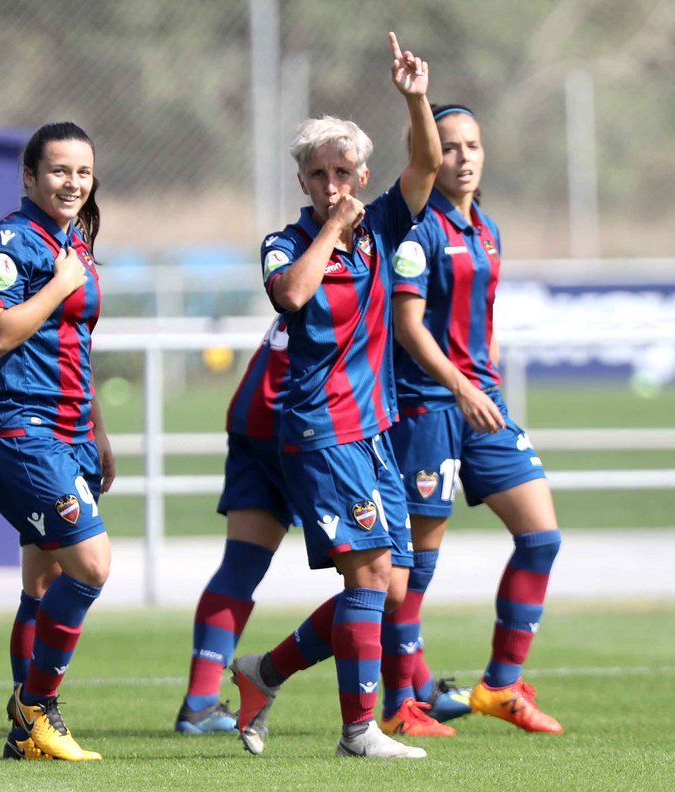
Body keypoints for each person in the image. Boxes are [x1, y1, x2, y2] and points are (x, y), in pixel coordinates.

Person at [230, 32, 444, 758]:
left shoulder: (383, 225)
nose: (332, 186)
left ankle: (264, 670)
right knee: (367, 574)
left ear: (361, 173)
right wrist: (329, 230)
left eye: (343, 173)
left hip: (376, 429)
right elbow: (291, 296)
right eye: (318, 175)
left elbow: (427, 164)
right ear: (303, 183)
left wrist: (415, 97)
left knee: (389, 585)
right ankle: (359, 731)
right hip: (321, 431)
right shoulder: (286, 242)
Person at [388, 103, 563, 734]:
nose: (463, 158)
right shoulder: (417, 231)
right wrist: (460, 386)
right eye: (450, 147)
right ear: (428, 155)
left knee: (541, 537)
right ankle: (403, 704)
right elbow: (407, 328)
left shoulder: (486, 227)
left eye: (473, 146)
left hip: (482, 402)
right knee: (416, 566)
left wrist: (477, 383)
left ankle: (501, 686)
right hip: (428, 406)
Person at [0, 122, 109, 762]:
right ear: (29, 176)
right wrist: (59, 284)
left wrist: (98, 432)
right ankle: (37, 707)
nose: (72, 183)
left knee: (42, 583)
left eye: (82, 172)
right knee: (92, 565)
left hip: (71, 433)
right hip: (23, 431)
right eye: (59, 171)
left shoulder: (70, 243)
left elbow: (77, 345)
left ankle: (26, 735)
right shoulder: (9, 243)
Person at [175, 316, 294, 734]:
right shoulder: (366, 264)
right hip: (303, 422)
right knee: (376, 570)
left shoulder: (308, 256)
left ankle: (201, 703)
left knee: (241, 565)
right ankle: (406, 695)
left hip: (256, 412)